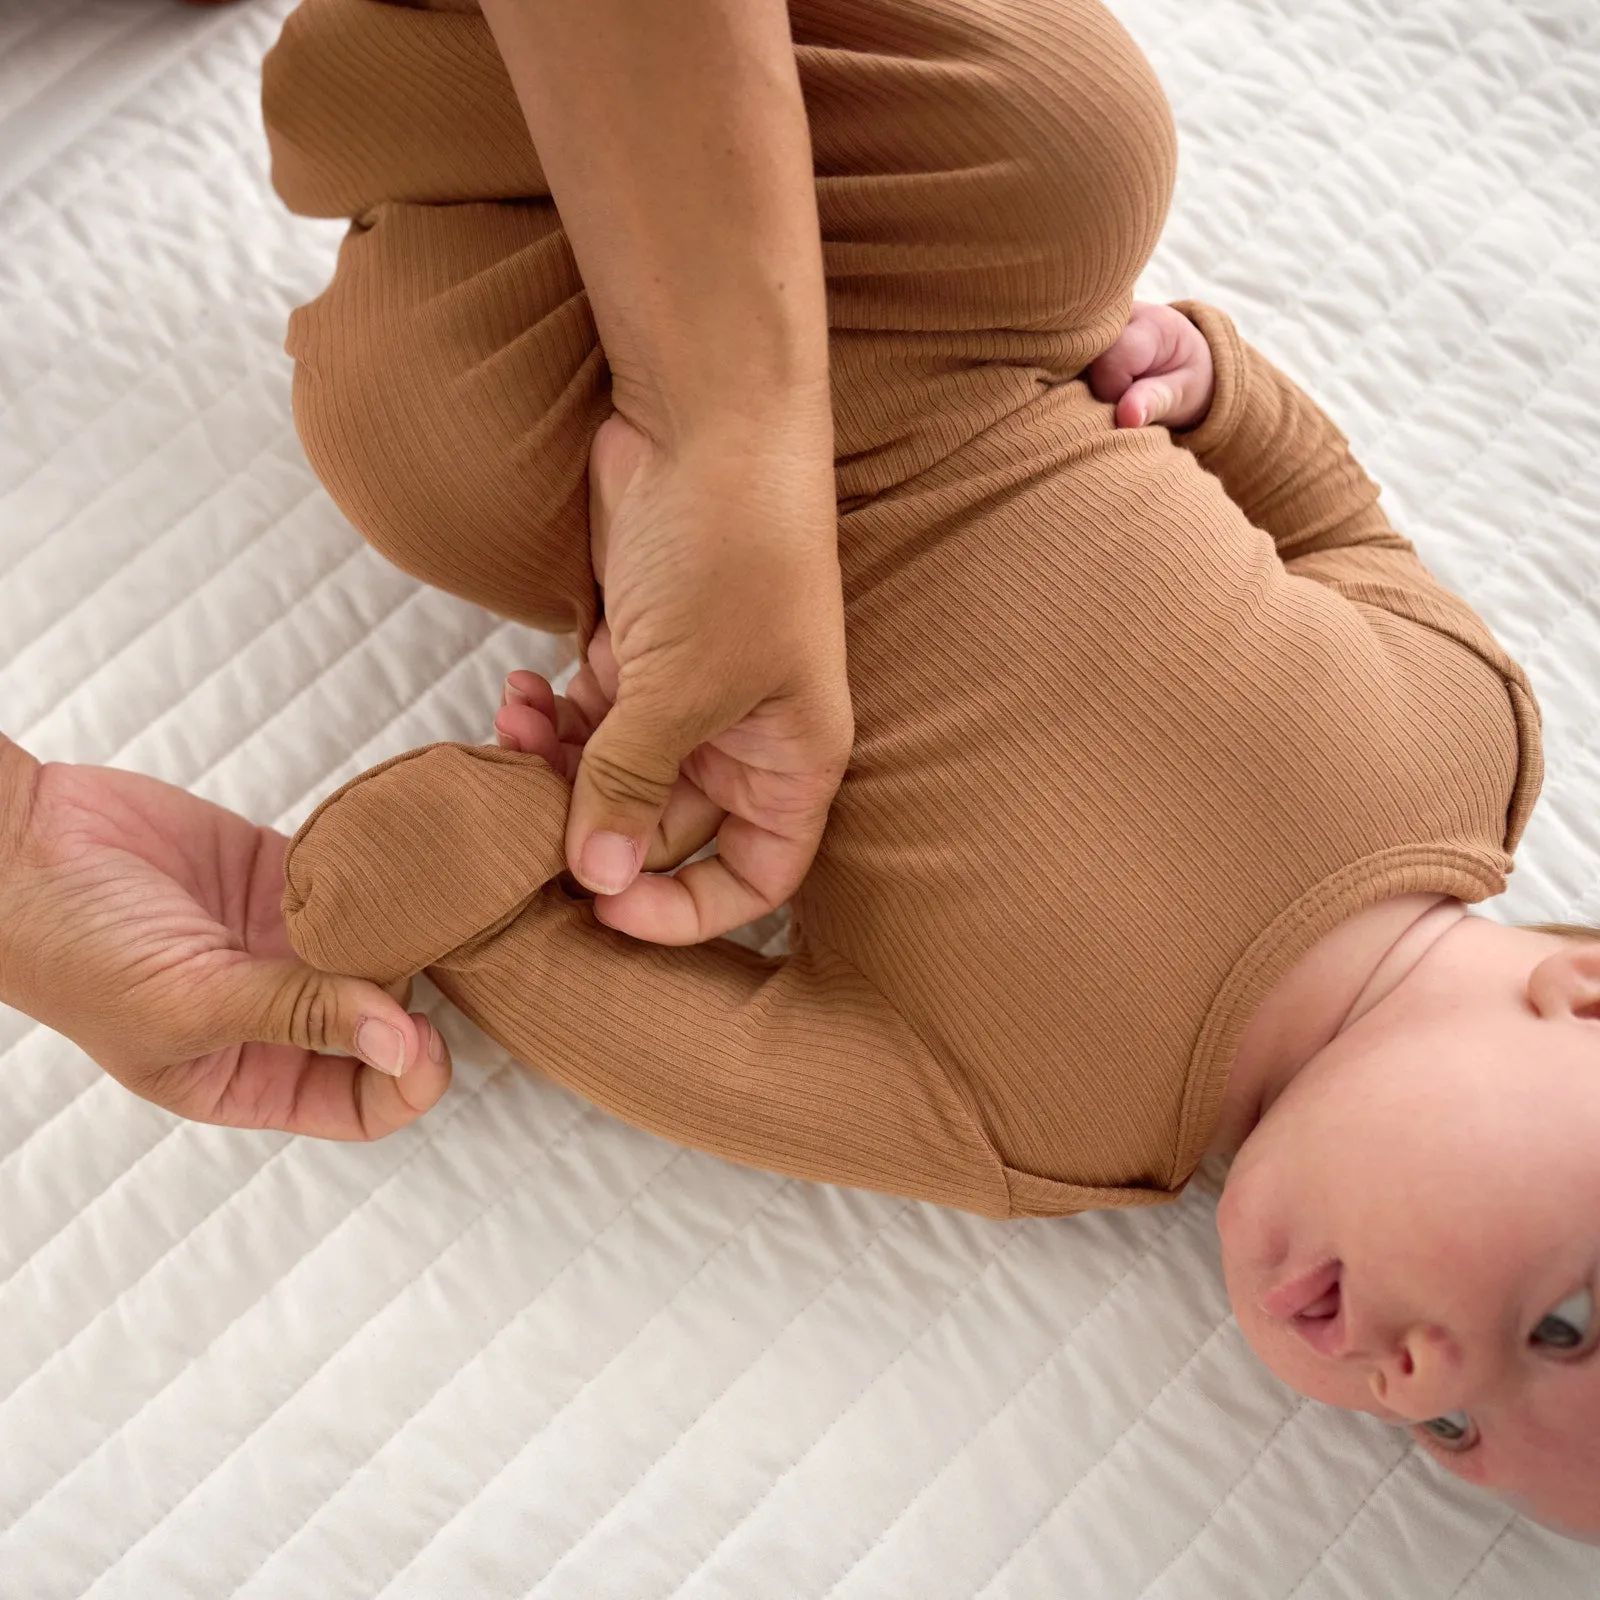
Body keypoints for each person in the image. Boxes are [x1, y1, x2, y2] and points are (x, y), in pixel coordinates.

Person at [4, 0, 1597, 1542]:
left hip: (587, 447)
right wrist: (1215, 386)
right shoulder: (1474, 744)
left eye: (1453, 1441)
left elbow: (699, 1049)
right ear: (1587, 997)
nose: (1408, 1381)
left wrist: (500, 895)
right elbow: (1331, 526)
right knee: (1079, 141)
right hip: (952, 300)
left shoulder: (1047, 1134)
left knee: (440, 444)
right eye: (1569, 1328)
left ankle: (415, 71)